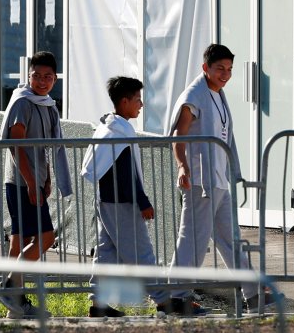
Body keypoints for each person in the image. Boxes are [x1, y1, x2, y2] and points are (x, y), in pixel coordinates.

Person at [168, 44, 275, 315]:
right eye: (220, 69)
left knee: (231, 239)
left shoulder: (218, 93)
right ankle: (176, 296)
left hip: (218, 181)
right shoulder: (194, 95)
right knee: (193, 239)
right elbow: (178, 137)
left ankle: (254, 295)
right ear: (205, 68)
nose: (225, 74)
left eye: (229, 69)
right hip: (200, 182)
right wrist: (182, 167)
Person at [80, 76, 172, 317]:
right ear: (124, 101)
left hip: (106, 200)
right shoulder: (119, 132)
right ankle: (163, 301)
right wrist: (142, 201)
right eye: (138, 100)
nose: (141, 105)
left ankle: (98, 304)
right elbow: (126, 174)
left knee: (106, 253)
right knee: (142, 253)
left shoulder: (107, 128)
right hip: (121, 202)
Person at [0, 51, 73, 319]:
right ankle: (8, 286)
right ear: (28, 76)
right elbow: (16, 145)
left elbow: (45, 148)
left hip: (34, 181)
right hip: (20, 182)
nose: (42, 81)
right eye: (37, 76)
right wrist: (30, 182)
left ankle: (15, 309)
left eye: (48, 77)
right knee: (46, 238)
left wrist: (47, 177)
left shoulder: (48, 104)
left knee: (20, 241)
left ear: (55, 79)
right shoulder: (23, 102)